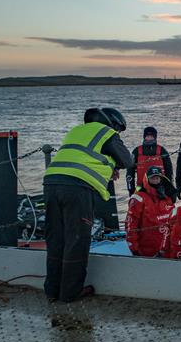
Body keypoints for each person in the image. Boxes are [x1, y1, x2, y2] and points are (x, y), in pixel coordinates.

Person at [43, 107, 134, 302]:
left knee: (56, 238)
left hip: (51, 182)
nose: (118, 134)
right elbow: (127, 160)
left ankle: (52, 290)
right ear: (114, 125)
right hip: (77, 188)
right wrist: (115, 165)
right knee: (77, 240)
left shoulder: (76, 131)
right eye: (119, 130)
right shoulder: (107, 132)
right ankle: (70, 293)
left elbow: (83, 156)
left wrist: (109, 165)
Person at [125, 165, 177, 257]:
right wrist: (134, 249)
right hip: (146, 250)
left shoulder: (167, 196)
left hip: (167, 249)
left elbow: (174, 222)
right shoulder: (138, 199)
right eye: (152, 178)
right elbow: (131, 226)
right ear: (147, 180)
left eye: (157, 178)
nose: (155, 181)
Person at [126, 126, 173, 196]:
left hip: (159, 188)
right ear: (144, 137)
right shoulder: (137, 151)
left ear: (155, 137)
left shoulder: (161, 150)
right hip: (141, 188)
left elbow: (169, 171)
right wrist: (131, 189)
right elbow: (130, 172)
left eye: (151, 136)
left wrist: (170, 188)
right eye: (147, 136)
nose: (149, 138)